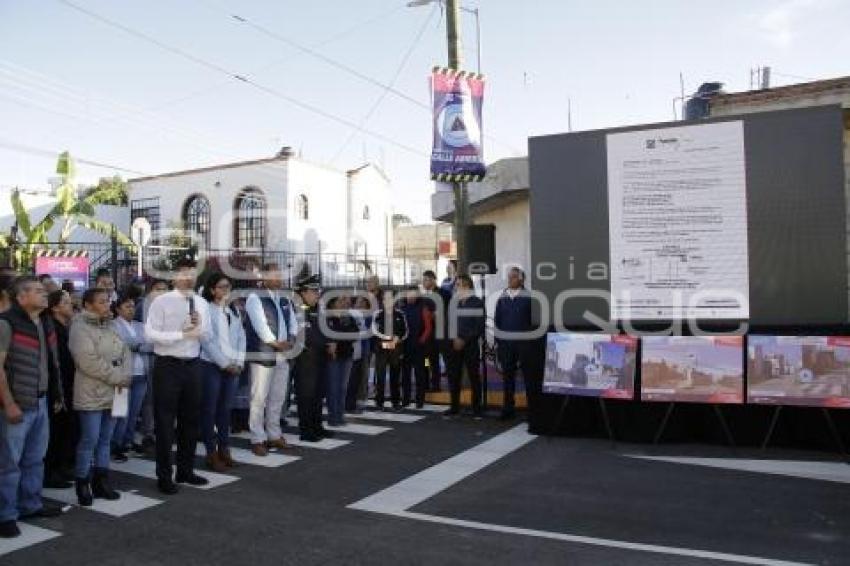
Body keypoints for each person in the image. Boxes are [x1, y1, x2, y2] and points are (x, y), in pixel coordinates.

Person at [0, 276, 64, 538]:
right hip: (16, 406)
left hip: (41, 400)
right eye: (38, 291)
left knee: (35, 459)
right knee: (9, 463)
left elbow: (52, 363)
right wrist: (9, 403)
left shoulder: (45, 322)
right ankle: (6, 515)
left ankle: (30, 504)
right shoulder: (6, 324)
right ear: (21, 297)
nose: (44, 294)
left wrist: (57, 393)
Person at [145, 258, 211, 494]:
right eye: (184, 273)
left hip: (193, 364)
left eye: (192, 274)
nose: (188, 278)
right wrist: (179, 334)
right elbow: (150, 333)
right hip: (168, 365)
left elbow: (207, 334)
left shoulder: (201, 303)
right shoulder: (161, 301)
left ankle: (186, 469)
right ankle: (164, 475)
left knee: (190, 421)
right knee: (164, 423)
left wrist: (199, 326)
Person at [69, 288, 131, 505]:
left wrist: (126, 374)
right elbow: (87, 361)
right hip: (92, 390)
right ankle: (82, 482)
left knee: (106, 439)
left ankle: (101, 480)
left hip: (115, 390)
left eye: (108, 301)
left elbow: (125, 352)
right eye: (102, 302)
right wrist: (117, 376)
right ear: (88, 305)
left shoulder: (111, 325)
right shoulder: (80, 327)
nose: (107, 305)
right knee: (90, 439)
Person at [244, 263, 296, 456]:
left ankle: (274, 434)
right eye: (274, 275)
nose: (279, 278)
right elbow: (260, 325)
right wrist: (274, 342)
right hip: (263, 352)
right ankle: (258, 438)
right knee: (258, 398)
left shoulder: (284, 298)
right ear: (264, 277)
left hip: (282, 353)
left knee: (278, 397)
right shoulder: (254, 297)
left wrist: (291, 339)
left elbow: (292, 322)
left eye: (279, 275)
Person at [200, 272, 245, 471]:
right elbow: (206, 340)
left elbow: (241, 336)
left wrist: (239, 361)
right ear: (212, 290)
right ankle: (211, 453)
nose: (226, 290)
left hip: (233, 367)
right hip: (212, 365)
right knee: (210, 411)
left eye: (228, 286)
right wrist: (223, 363)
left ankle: (225, 450)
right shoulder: (206, 310)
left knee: (225, 411)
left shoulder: (233, 309)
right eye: (221, 287)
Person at [110, 293, 151, 461]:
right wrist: (139, 345)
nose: (131, 309)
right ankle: (115, 444)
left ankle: (128, 440)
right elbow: (122, 344)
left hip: (141, 373)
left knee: (134, 412)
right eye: (127, 306)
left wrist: (137, 346)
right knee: (120, 412)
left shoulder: (140, 325)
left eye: (133, 306)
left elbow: (151, 344)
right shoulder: (112, 325)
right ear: (118, 309)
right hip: (122, 375)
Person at [43, 290, 76, 488]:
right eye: (65, 302)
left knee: (65, 429)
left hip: (70, 385)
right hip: (58, 387)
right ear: (54, 307)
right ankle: (50, 472)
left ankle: (61, 466)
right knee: (55, 431)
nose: (70, 304)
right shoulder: (52, 328)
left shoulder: (68, 327)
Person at [493, 267, 534, 420]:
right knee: (507, 378)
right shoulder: (502, 298)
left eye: (513, 277)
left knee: (527, 378)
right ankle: (508, 408)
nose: (510, 280)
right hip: (506, 345)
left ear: (521, 279)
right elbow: (498, 320)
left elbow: (533, 322)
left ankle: (532, 410)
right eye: (509, 277)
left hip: (524, 345)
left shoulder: (529, 297)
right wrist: (498, 341)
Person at [293, 274, 329, 442]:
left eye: (318, 291)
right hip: (305, 358)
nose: (317, 294)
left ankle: (317, 426)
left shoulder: (316, 309)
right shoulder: (297, 308)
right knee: (306, 395)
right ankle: (306, 430)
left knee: (317, 395)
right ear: (304, 292)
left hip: (320, 356)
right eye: (314, 291)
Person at [135, 278, 169, 454]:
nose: (161, 292)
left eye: (165, 289)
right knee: (149, 398)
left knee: (162, 397)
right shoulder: (143, 306)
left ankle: (159, 431)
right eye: (158, 289)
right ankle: (148, 433)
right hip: (148, 355)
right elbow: (142, 335)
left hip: (165, 355)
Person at [445, 274, 485, 418]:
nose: (456, 287)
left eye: (458, 284)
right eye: (456, 285)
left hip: (470, 346)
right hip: (454, 345)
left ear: (467, 286)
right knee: (453, 376)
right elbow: (449, 323)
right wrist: (455, 339)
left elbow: (479, 326)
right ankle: (454, 407)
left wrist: (464, 340)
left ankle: (477, 409)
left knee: (474, 376)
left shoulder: (477, 303)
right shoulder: (453, 302)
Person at [324, 294, 357, 426]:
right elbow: (327, 335)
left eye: (343, 300)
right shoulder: (327, 317)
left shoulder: (348, 316)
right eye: (340, 300)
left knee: (343, 388)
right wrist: (342, 335)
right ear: (332, 303)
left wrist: (339, 337)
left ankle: (340, 415)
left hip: (347, 355)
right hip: (333, 357)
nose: (343, 303)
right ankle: (333, 417)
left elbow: (355, 333)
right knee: (333, 388)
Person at [372, 290, 408, 410]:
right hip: (381, 348)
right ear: (382, 301)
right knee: (380, 376)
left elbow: (406, 330)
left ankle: (395, 402)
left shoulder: (400, 314)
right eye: (385, 299)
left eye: (390, 298)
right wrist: (388, 338)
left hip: (396, 349)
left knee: (395, 375)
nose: (388, 301)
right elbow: (374, 330)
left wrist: (399, 338)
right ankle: (379, 402)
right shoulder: (377, 314)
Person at [400, 287, 431, 408]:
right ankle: (406, 399)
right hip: (405, 346)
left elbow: (428, 328)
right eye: (409, 295)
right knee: (405, 375)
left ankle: (420, 400)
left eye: (414, 295)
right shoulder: (402, 309)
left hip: (421, 347)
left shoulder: (423, 308)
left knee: (421, 373)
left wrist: (421, 341)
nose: (411, 297)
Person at [421, 270, 447, 392]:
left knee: (435, 360)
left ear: (432, 280)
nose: (423, 282)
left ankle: (436, 384)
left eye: (426, 279)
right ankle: (425, 382)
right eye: (423, 280)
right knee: (426, 360)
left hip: (439, 333)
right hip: (426, 335)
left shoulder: (443, 293)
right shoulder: (423, 296)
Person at [345, 295, 372, 413]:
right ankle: (349, 404)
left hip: (361, 351)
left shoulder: (365, 315)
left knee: (359, 378)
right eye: (357, 302)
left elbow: (366, 332)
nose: (359, 304)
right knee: (350, 380)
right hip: (350, 352)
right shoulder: (350, 314)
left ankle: (356, 402)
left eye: (362, 303)